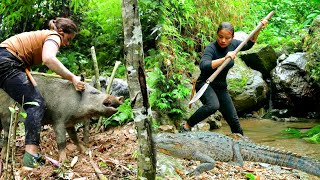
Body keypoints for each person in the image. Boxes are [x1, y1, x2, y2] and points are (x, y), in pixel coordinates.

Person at [0, 17, 85, 169]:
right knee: (36, 103)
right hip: (7, 61)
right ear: (61, 32)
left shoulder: (47, 35)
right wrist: (72, 77)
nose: (67, 43)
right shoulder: (54, 37)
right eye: (68, 38)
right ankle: (31, 156)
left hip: (6, 60)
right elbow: (48, 59)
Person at [181, 20, 268, 135]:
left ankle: (242, 143)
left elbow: (249, 44)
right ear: (217, 35)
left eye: (227, 38)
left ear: (232, 37)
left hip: (221, 87)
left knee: (233, 119)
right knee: (213, 105)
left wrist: (259, 29)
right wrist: (224, 59)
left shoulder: (234, 45)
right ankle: (186, 126)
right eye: (220, 37)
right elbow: (204, 65)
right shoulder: (211, 48)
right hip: (205, 83)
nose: (223, 40)